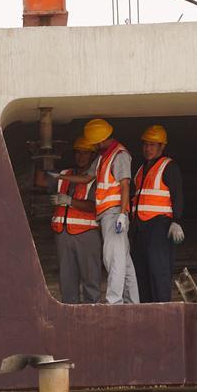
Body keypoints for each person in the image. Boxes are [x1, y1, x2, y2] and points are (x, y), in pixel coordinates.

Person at [34, 137, 102, 303]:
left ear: (93, 156)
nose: (81, 156)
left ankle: (91, 315)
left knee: (90, 278)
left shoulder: (97, 178)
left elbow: (95, 206)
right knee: (67, 279)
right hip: (63, 234)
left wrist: (70, 201)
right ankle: (70, 317)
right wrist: (40, 158)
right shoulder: (65, 174)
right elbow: (40, 181)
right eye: (78, 152)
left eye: (85, 153)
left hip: (87, 234)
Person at [81, 118, 139, 304]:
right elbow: (86, 177)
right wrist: (58, 176)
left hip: (114, 214)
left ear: (100, 140)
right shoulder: (103, 157)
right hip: (108, 214)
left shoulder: (119, 155)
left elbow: (125, 186)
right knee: (124, 261)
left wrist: (123, 213)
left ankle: (114, 302)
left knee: (113, 259)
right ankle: (132, 303)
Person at [130, 124, 185, 303]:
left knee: (158, 270)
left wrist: (176, 221)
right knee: (141, 271)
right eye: (145, 144)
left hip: (160, 227)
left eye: (152, 145)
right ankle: (146, 311)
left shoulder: (169, 167)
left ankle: (162, 311)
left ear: (162, 146)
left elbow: (177, 195)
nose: (148, 148)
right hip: (140, 228)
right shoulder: (140, 170)